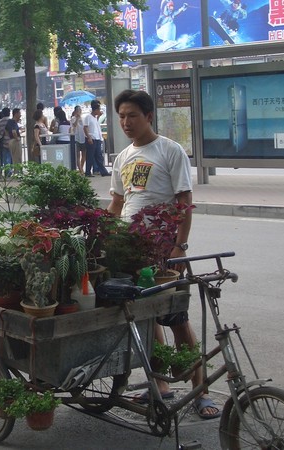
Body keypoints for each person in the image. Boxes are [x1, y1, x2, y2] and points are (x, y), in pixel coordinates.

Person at [107, 89, 220, 420]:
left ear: (149, 116)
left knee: (176, 318)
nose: (126, 122)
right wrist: (99, 233)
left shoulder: (169, 151)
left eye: (132, 116)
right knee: (147, 317)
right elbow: (117, 202)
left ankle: (201, 391)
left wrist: (179, 245)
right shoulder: (122, 156)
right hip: (129, 248)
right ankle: (161, 386)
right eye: (122, 117)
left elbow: (184, 202)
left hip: (161, 246)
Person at [83, 100, 110, 177]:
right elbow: (85, 127)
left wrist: (98, 117)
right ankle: (87, 172)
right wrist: (89, 137)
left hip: (97, 139)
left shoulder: (95, 118)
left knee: (99, 156)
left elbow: (95, 126)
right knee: (90, 156)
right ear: (96, 110)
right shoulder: (88, 117)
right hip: (92, 139)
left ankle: (103, 171)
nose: (99, 111)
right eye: (99, 109)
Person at [70, 105, 86, 173]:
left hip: (83, 138)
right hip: (76, 138)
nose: (79, 111)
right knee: (78, 155)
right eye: (78, 110)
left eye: (80, 110)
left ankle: (81, 168)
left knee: (84, 155)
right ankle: (81, 170)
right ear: (75, 111)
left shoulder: (83, 118)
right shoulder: (73, 118)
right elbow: (74, 125)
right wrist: (77, 118)